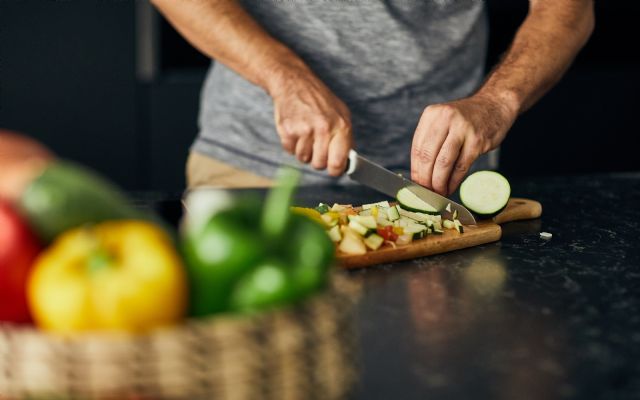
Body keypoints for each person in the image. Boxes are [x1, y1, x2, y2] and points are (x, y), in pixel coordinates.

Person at [151, 0, 594, 195]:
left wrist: (496, 102)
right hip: (250, 167)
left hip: (438, 184)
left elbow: (566, 9)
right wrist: (283, 77)